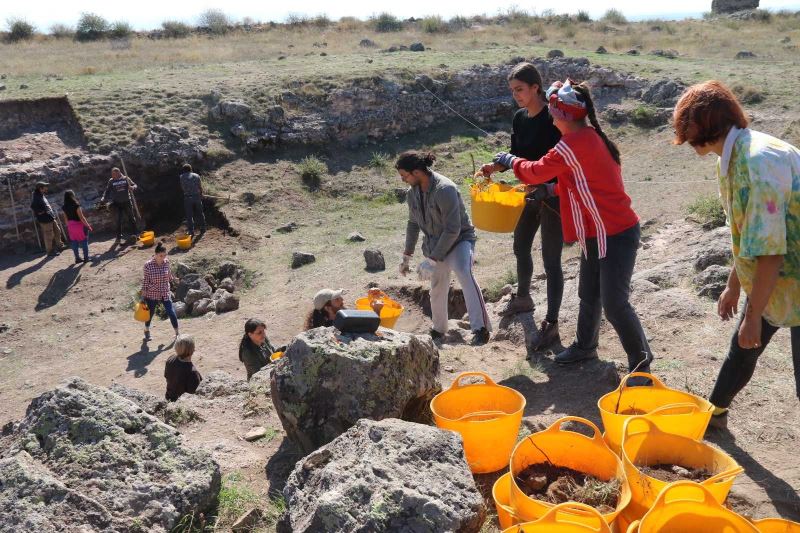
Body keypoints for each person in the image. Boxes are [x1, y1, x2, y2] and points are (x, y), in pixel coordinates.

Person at [492, 79, 652, 372]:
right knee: (589, 293)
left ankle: (641, 363)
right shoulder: (589, 137)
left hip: (614, 233)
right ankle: (585, 347)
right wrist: (552, 191)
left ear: (561, 115)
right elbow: (582, 181)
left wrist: (509, 159)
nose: (550, 117)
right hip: (597, 232)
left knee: (615, 304)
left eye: (553, 112)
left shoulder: (572, 144)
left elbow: (535, 171)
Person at [673, 80, 800, 429]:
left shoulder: (759, 163)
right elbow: (748, 236)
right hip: (775, 278)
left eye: (686, 122)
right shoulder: (731, 158)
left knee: (753, 337)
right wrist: (734, 284)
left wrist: (753, 314)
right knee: (743, 348)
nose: (681, 131)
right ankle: (714, 414)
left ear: (703, 123)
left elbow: (772, 252)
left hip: (789, 275)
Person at [479, 62, 564, 351]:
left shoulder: (554, 120)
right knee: (520, 246)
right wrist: (497, 165)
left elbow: (563, 160)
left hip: (554, 196)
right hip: (526, 193)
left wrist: (547, 188)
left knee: (551, 261)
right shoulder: (519, 118)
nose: (516, 95)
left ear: (535, 88)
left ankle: (552, 324)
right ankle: (524, 297)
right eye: (513, 90)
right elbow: (516, 154)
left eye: (520, 90)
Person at [398, 151, 492, 346]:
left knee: (463, 271)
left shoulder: (445, 189)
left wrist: (432, 259)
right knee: (437, 286)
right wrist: (407, 256)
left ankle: (480, 328)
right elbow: (413, 224)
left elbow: (453, 229)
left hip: (459, 240)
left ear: (416, 172)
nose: (403, 180)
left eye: (404, 176)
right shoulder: (412, 193)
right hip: (435, 245)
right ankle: (438, 330)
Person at [141, 240, 179, 341]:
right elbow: (146, 282)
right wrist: (143, 297)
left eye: (164, 255)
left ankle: (177, 333)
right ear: (155, 255)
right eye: (161, 256)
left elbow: (169, 276)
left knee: (171, 311)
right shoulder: (148, 265)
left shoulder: (166, 262)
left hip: (165, 291)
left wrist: (172, 278)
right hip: (152, 292)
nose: (163, 258)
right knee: (151, 312)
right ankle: (146, 330)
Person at [101, 167, 139, 240]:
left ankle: (135, 233)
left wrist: (132, 187)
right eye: (112, 174)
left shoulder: (126, 179)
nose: (112, 175)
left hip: (127, 201)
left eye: (114, 174)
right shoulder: (111, 181)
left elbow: (135, 185)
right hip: (117, 203)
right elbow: (107, 191)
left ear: (118, 173)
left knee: (131, 217)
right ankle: (119, 235)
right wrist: (103, 197)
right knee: (118, 219)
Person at [30, 181, 64, 256]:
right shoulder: (36, 197)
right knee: (49, 235)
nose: (46, 188)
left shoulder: (41, 195)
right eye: (45, 187)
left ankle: (60, 245)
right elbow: (35, 209)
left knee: (57, 231)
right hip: (45, 219)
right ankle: (50, 251)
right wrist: (45, 210)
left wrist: (48, 209)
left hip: (50, 217)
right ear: (40, 188)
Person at [164, 334, 202, 401]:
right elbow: (193, 394)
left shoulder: (170, 359)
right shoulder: (193, 373)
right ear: (193, 350)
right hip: (181, 404)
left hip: (169, 397)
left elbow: (167, 377)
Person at [61, 190, 93, 264]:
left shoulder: (64, 207)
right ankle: (86, 258)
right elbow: (81, 217)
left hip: (71, 226)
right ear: (72, 196)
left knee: (74, 242)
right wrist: (88, 225)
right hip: (79, 226)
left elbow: (65, 218)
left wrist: (69, 227)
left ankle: (77, 258)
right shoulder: (76, 205)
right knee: (84, 241)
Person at [180, 163, 206, 237]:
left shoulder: (181, 177)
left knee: (189, 215)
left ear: (184, 170)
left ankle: (191, 231)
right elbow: (200, 186)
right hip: (197, 197)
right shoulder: (197, 175)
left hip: (187, 197)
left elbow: (183, 188)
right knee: (200, 213)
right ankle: (203, 228)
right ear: (191, 169)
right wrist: (201, 194)